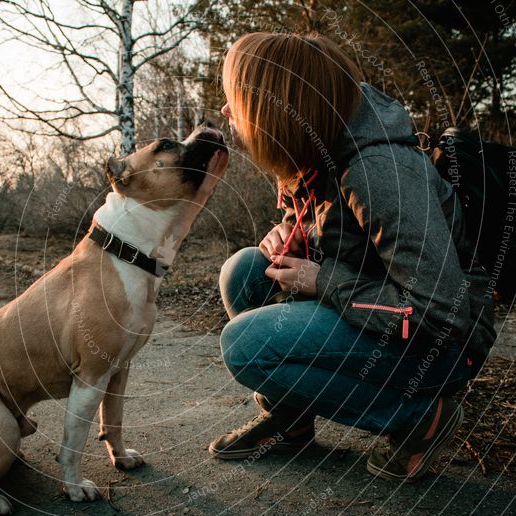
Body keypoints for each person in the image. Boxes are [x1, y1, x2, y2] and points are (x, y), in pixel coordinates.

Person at [209, 32, 496, 483]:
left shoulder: (379, 172)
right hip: (381, 309)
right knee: (245, 272)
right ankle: (293, 420)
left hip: (438, 347)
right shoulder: (314, 147)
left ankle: (419, 417)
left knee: (246, 345)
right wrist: (294, 234)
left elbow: (441, 313)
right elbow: (335, 228)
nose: (227, 112)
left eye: (236, 100)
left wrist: (322, 281)